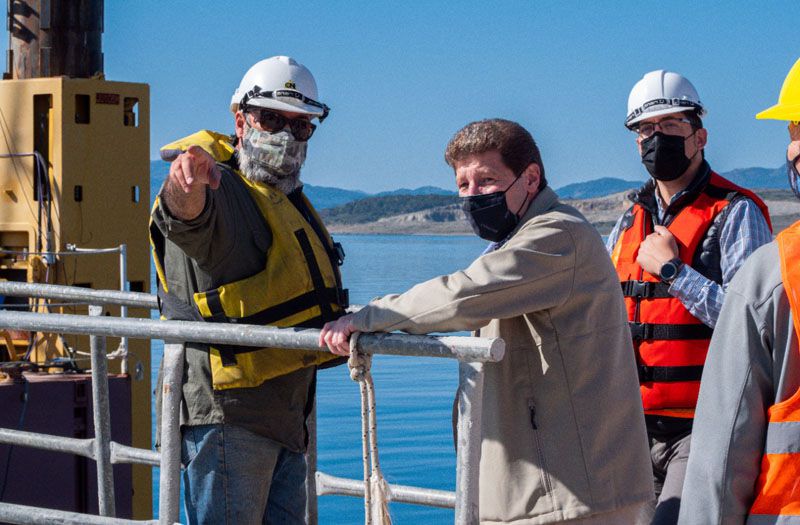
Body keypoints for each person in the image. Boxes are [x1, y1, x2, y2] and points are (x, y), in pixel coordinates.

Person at [320, 118, 653, 524]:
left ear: (531, 178)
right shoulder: (517, 239)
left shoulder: (559, 235)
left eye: (487, 181)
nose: (473, 196)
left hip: (573, 494)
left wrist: (369, 317)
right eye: (464, 185)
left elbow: (465, 294)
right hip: (541, 488)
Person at [149, 56, 348, 524]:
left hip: (286, 417)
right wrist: (185, 181)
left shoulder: (282, 198)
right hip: (227, 418)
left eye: (301, 127)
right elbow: (184, 216)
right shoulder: (222, 188)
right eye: (272, 119)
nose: (286, 136)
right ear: (241, 119)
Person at [606, 70, 773, 524]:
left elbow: (754, 328)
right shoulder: (627, 223)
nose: (655, 138)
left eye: (670, 127)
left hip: (703, 427)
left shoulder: (735, 214)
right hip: (632, 430)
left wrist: (675, 273)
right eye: (645, 130)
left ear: (699, 136)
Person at [678, 58, 800, 524]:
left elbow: (724, 453)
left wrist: (673, 271)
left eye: (794, 131)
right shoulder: (630, 219)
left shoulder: (773, 274)